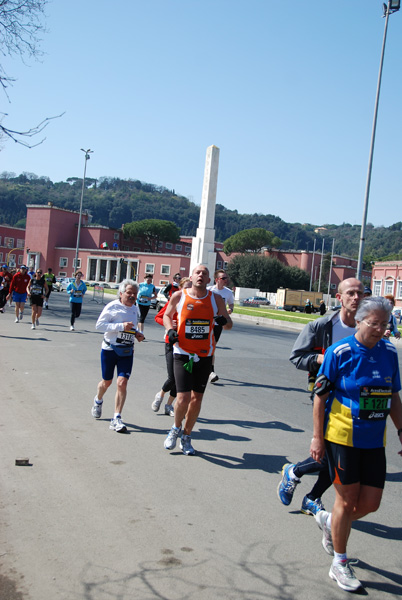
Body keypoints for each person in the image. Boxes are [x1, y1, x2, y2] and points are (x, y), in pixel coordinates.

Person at [310, 296, 402, 592]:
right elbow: (320, 397)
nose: (379, 329)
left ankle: (329, 521)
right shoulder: (341, 351)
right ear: (359, 321)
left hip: (375, 440)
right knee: (347, 502)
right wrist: (316, 437)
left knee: (370, 504)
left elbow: (393, 397)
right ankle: (339, 561)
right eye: (374, 323)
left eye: (384, 324)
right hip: (342, 436)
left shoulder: (389, 351)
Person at [277, 278, 364, 516]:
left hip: (356, 401)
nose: (356, 298)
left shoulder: (365, 327)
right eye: (351, 293)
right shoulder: (321, 326)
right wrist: (320, 359)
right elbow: (296, 357)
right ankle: (299, 479)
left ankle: (302, 484)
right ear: (339, 298)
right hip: (327, 398)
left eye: (360, 293)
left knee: (339, 454)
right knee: (335, 453)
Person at [163, 264, 233, 455]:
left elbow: (229, 324)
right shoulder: (180, 296)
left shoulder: (216, 299)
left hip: (204, 355)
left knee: (196, 399)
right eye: (198, 272)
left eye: (204, 273)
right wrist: (170, 330)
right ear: (191, 277)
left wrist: (222, 321)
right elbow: (166, 316)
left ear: (209, 280)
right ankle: (175, 428)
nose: (201, 275)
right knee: (183, 397)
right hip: (182, 352)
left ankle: (186, 436)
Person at [91, 279, 145, 432]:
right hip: (109, 350)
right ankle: (98, 400)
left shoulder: (135, 308)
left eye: (135, 294)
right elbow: (99, 325)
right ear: (121, 293)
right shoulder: (112, 306)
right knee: (106, 382)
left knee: (122, 383)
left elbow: (131, 328)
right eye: (129, 293)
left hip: (127, 351)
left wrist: (137, 334)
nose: (132, 296)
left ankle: (117, 417)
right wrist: (121, 326)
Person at [152, 277, 192, 416]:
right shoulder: (174, 301)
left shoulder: (193, 303)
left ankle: (169, 405)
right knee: (172, 377)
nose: (188, 290)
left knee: (181, 379)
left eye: (190, 287)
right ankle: (160, 395)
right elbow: (159, 317)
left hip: (187, 345)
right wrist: (170, 325)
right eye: (186, 287)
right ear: (180, 288)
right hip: (171, 342)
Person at [207, 269, 234, 383]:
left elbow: (231, 304)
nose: (226, 280)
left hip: (218, 323)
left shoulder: (228, 293)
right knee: (204, 345)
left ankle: (210, 371)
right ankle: (205, 369)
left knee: (212, 346)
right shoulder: (209, 290)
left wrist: (230, 309)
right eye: (223, 278)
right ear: (217, 279)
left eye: (226, 278)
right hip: (207, 322)